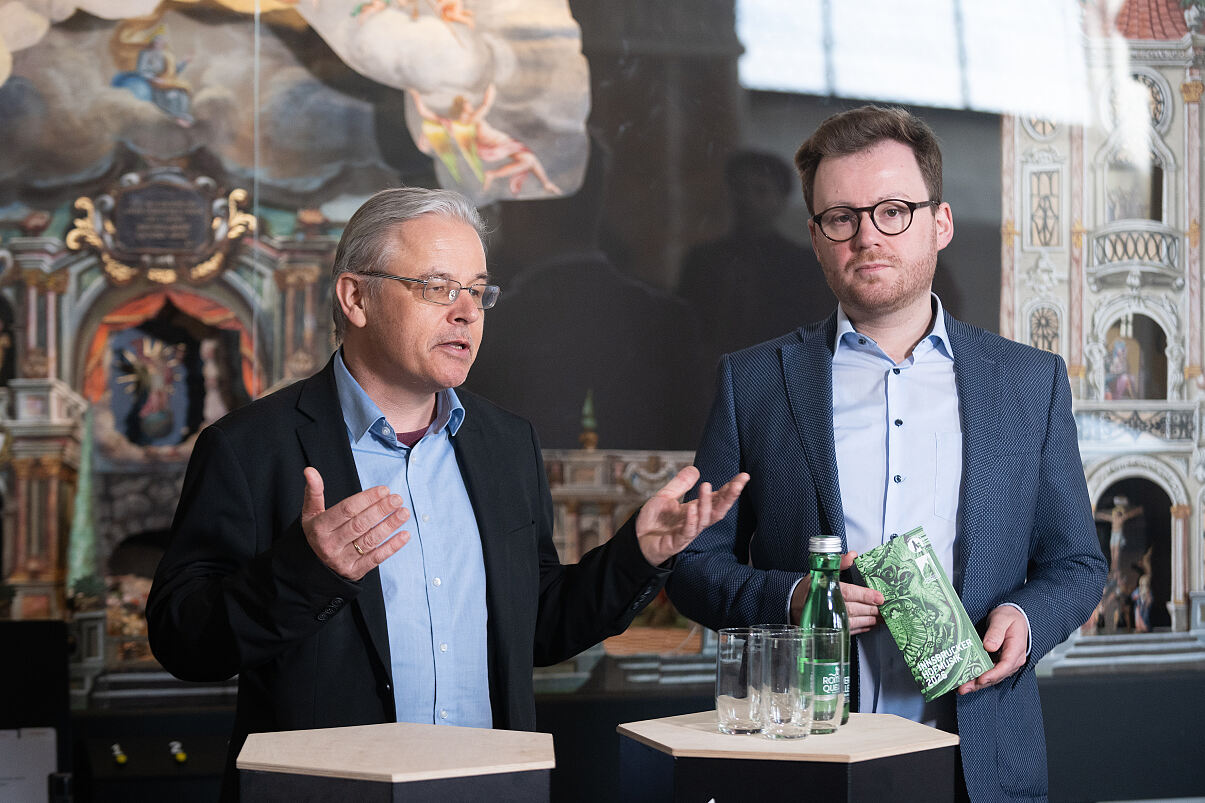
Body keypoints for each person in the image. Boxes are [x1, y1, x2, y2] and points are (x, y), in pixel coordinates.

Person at [146, 187, 748, 801]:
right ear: (356, 297)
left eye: (478, 292)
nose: (466, 313)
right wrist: (307, 572)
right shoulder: (249, 448)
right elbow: (183, 641)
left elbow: (536, 627)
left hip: (491, 788)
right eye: (437, 288)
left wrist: (637, 555)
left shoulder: (506, 444)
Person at [666, 106, 1106, 803]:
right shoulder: (752, 383)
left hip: (980, 765)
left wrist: (1023, 620)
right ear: (814, 237)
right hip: (802, 764)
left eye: (893, 210)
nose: (867, 235)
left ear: (940, 222)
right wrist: (794, 597)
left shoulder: (1029, 382)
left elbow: (1077, 563)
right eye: (840, 216)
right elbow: (691, 565)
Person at [677, 149, 832, 366]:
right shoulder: (703, 259)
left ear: (781, 200)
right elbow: (687, 326)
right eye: (740, 189)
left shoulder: (803, 263)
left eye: (761, 191)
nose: (747, 199)